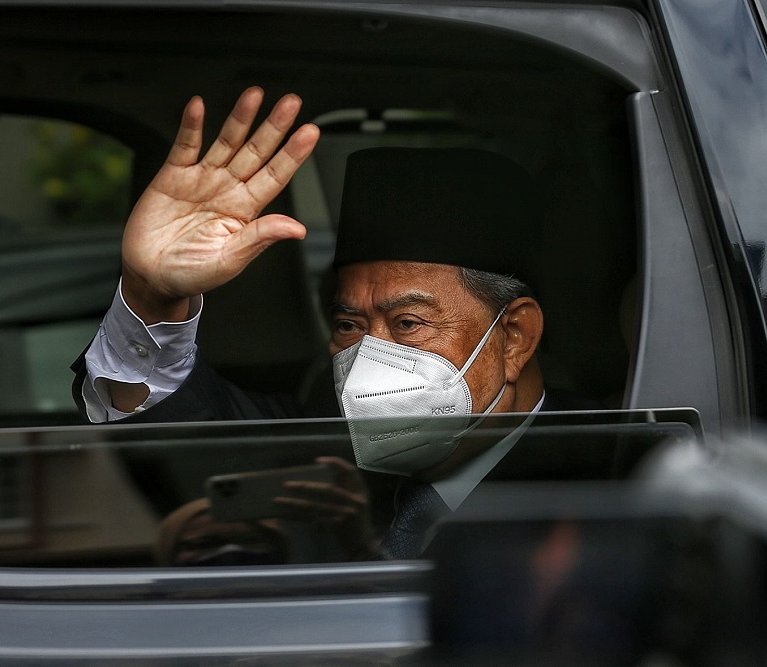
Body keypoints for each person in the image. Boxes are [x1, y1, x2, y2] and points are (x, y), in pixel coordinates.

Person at [71, 87, 595, 559]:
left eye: (409, 323)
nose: (370, 359)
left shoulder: (608, 472)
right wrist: (151, 291)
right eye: (348, 324)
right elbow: (189, 426)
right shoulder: (338, 430)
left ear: (515, 338)